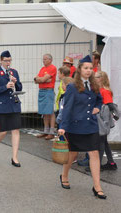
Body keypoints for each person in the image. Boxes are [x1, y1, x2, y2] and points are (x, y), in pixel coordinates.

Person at [58, 55, 106, 199]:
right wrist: (62, 126)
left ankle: (97, 186)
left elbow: (100, 99)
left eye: (91, 68)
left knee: (94, 153)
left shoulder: (94, 86)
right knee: (72, 154)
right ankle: (64, 175)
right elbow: (67, 108)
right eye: (86, 68)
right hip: (75, 126)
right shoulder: (73, 87)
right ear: (79, 69)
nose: (88, 71)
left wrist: (97, 108)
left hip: (90, 125)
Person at [0, 50, 23, 167]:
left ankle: (14, 157)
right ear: (1, 60)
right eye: (6, 61)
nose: (8, 63)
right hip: (1, 106)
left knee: (15, 130)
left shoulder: (14, 72)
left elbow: (19, 87)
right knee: (2, 132)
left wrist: (16, 82)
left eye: (9, 60)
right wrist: (5, 86)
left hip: (14, 105)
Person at [94, 71, 118, 171]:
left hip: (103, 119)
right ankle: (111, 163)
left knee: (101, 142)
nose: (94, 79)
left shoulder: (104, 91)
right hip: (102, 118)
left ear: (101, 79)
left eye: (96, 77)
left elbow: (109, 104)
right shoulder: (101, 90)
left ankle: (97, 165)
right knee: (104, 141)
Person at [34, 54, 57, 140]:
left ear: (50, 60)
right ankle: (46, 131)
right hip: (42, 91)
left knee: (50, 111)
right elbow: (36, 80)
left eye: (45, 59)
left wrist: (41, 79)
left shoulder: (52, 68)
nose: (43, 61)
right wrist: (42, 79)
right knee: (44, 112)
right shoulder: (42, 69)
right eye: (43, 59)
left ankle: (51, 132)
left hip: (48, 91)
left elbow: (41, 79)